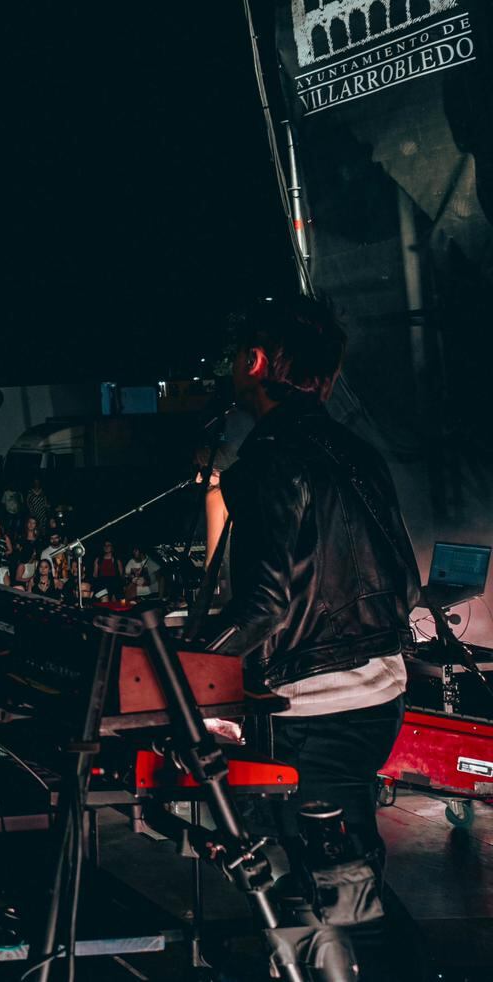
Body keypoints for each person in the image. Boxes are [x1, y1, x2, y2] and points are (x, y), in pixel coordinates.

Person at [199, 298, 419, 953]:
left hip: (313, 713)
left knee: (336, 897)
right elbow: (403, 583)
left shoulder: (271, 457)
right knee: (335, 886)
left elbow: (263, 605)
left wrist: (180, 666)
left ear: (255, 362)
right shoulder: (356, 451)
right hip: (374, 698)